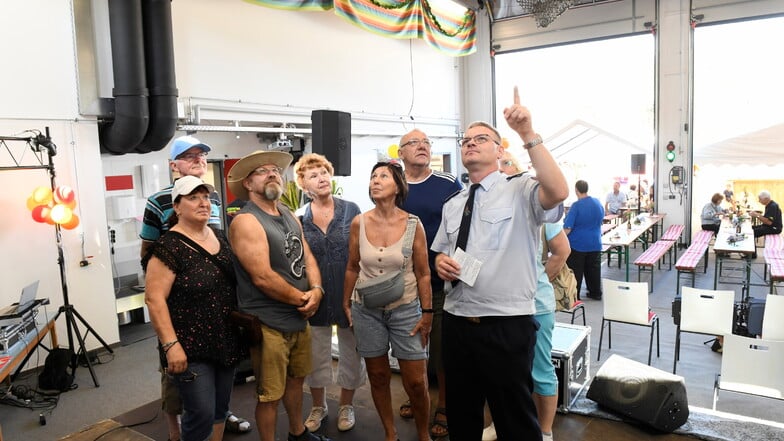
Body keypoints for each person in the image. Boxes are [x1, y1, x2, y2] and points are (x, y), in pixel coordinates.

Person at [431, 87, 568, 441]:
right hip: (458, 321)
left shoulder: (520, 189)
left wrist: (527, 133)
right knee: (462, 417)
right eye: (466, 140)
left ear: (499, 150)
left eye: (481, 138)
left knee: (514, 420)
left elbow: (557, 191)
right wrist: (441, 263)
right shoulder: (454, 203)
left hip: (505, 323)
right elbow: (443, 252)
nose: (470, 144)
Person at [139, 135, 250, 440]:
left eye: (205, 197)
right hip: (187, 334)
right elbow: (154, 291)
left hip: (223, 333)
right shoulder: (166, 239)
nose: (203, 202)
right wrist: (170, 343)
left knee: (218, 407)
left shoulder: (217, 227)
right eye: (193, 198)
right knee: (196, 410)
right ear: (177, 205)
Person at [227, 150, 330, 441]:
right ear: (247, 184)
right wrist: (304, 299)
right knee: (269, 395)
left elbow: (305, 253)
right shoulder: (246, 221)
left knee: (297, 383)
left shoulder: (286, 213)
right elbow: (262, 277)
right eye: (262, 171)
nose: (272, 173)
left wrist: (318, 290)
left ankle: (298, 433)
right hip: (269, 322)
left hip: (298, 318)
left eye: (274, 169)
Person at [343, 161, 433, 441]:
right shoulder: (359, 222)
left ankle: (422, 433)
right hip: (366, 310)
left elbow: (424, 273)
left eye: (383, 176)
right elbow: (352, 267)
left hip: (406, 309)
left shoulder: (413, 224)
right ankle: (390, 433)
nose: (376, 180)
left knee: (416, 382)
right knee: (378, 376)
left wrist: (427, 312)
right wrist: (345, 303)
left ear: (398, 186)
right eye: (373, 176)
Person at [484, 155, 571, 441]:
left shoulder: (539, 208)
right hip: (496, 304)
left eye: (507, 170)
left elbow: (561, 251)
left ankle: (544, 432)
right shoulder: (485, 207)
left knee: (541, 368)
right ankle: (498, 422)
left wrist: (535, 279)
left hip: (535, 304)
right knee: (499, 370)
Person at [293, 153, 365, 433]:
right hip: (316, 297)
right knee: (316, 354)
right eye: (313, 175)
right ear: (303, 184)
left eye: (324, 172)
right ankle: (318, 406)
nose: (321, 178)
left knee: (351, 352)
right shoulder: (299, 219)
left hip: (350, 295)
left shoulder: (352, 209)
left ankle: (347, 405)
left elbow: (361, 252)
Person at [397, 128, 462, 438]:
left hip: (439, 283)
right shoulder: (394, 185)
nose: (422, 147)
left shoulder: (447, 184)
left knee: (441, 351)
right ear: (401, 153)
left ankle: (445, 405)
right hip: (402, 286)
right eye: (414, 143)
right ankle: (418, 397)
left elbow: (465, 226)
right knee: (412, 350)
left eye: (426, 143)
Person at [563, 180, 605, 300]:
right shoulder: (597, 202)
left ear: (576, 190)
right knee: (593, 270)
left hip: (578, 244)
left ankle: (574, 295)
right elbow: (601, 219)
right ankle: (595, 293)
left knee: (576, 271)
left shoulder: (576, 206)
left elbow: (568, 228)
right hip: (595, 242)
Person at [750, 190, 782, 259]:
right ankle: (751, 253)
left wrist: (757, 215)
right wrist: (757, 215)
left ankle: (752, 254)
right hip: (769, 226)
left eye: (760, 199)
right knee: (750, 229)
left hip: (774, 228)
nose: (759, 201)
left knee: (752, 233)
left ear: (766, 199)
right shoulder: (769, 205)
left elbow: (768, 222)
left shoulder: (772, 206)